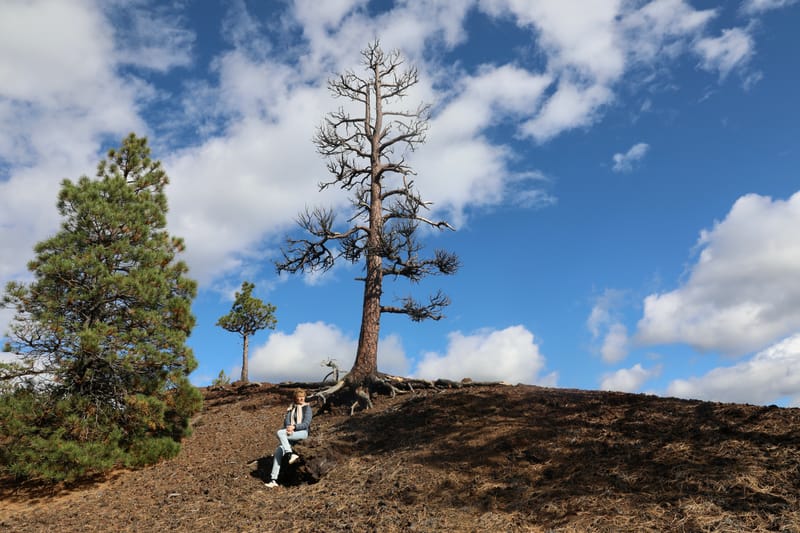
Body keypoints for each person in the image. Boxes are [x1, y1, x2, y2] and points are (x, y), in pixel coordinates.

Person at [264, 388, 312, 488]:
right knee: (278, 451)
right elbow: (286, 422)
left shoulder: (307, 408)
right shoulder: (291, 409)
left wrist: (294, 427)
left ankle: (289, 453)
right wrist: (289, 428)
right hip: (291, 433)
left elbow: (306, 424)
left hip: (302, 432)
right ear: (295, 398)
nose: (301, 399)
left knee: (280, 433)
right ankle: (273, 480)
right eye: (299, 397)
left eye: (302, 397)